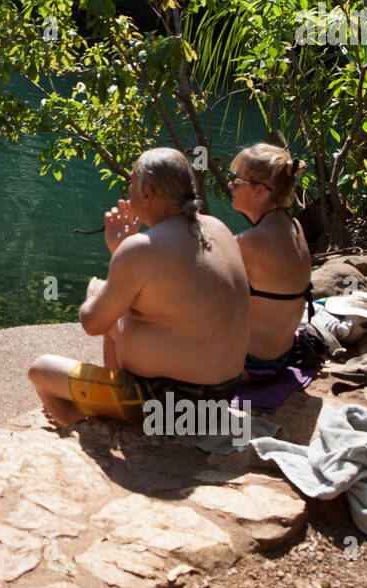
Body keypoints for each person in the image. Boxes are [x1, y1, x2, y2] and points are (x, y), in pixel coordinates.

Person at [28, 148, 251, 427]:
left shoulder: (141, 249)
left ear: (147, 192)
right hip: (221, 398)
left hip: (168, 406)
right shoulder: (218, 228)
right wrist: (120, 252)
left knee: (41, 370)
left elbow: (92, 323)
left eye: (131, 182)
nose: (128, 189)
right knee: (123, 312)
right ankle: (107, 409)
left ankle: (84, 428)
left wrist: (94, 294)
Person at [228, 142, 314, 367]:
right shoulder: (294, 226)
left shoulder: (249, 242)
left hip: (253, 364)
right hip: (283, 354)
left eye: (237, 181)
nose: (230, 185)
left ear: (259, 190)